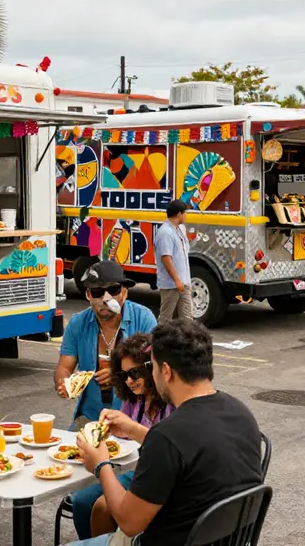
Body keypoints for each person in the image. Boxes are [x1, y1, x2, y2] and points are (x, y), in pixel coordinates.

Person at [71, 320, 263, 546]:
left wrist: (101, 464)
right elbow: (185, 451)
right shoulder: (241, 412)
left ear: (166, 371)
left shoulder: (168, 435)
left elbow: (129, 522)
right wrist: (134, 430)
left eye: (151, 367)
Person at [70, 333, 175, 541]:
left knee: (102, 506)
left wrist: (131, 428)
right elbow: (126, 439)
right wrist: (115, 431)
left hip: (153, 473)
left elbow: (166, 446)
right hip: (131, 467)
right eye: (123, 375)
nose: (129, 381)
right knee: (81, 501)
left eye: (135, 373)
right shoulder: (133, 399)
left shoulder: (171, 401)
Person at [54, 260, 157, 429]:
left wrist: (119, 375)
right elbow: (64, 367)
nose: (106, 298)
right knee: (67, 451)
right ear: (88, 295)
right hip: (91, 418)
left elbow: (155, 367)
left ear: (124, 293)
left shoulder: (143, 318)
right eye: (97, 292)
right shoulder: (78, 323)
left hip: (134, 419)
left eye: (113, 290)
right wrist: (63, 383)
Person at [154, 200, 192, 324]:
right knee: (166, 317)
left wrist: (183, 280)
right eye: (185, 213)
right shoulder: (165, 233)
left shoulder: (180, 228)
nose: (186, 215)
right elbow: (166, 257)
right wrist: (176, 279)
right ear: (179, 214)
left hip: (184, 281)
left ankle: (187, 342)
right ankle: (159, 341)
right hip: (171, 284)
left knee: (187, 318)